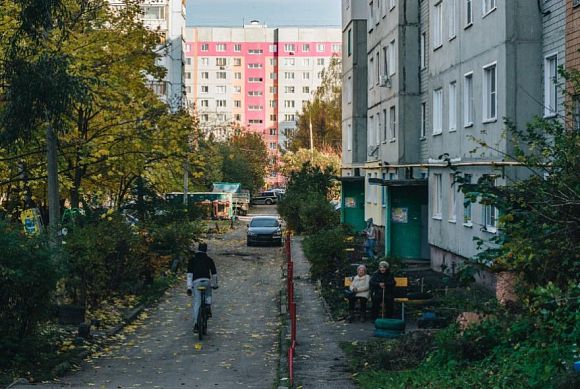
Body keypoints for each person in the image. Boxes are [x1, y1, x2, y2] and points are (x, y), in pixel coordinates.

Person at [186, 242, 218, 333]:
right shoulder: (209, 259)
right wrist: (215, 285)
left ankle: (196, 324)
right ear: (206, 250)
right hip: (206, 281)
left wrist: (189, 287)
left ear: (198, 248)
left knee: (197, 302)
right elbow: (214, 274)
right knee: (208, 294)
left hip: (196, 282)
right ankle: (207, 305)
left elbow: (189, 274)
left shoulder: (192, 260)